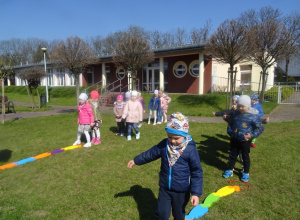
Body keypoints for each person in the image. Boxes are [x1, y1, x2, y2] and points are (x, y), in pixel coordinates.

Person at [127, 112, 203, 219]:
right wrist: (136, 160)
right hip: (165, 188)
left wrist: (196, 193)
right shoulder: (164, 145)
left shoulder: (190, 149)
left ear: (184, 135)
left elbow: (197, 172)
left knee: (178, 214)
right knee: (162, 214)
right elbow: (150, 154)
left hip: (181, 190)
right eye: (170, 137)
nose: (172, 141)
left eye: (176, 138)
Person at [223, 95, 264, 182]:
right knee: (232, 155)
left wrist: (252, 136)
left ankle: (245, 172)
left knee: (245, 157)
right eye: (239, 106)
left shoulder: (253, 116)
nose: (240, 108)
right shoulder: (235, 114)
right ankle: (230, 169)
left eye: (243, 106)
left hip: (245, 141)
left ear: (248, 106)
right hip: (234, 139)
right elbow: (231, 123)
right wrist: (230, 131)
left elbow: (260, 128)